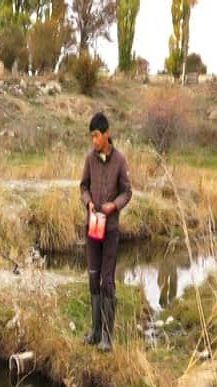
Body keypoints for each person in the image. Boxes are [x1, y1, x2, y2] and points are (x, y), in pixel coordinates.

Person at [80, 113, 132, 351]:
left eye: (96, 136)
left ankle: (107, 338)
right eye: (91, 136)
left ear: (106, 133)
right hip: (92, 228)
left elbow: (127, 192)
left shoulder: (120, 160)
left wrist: (114, 206)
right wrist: (89, 202)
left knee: (107, 281)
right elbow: (83, 186)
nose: (94, 141)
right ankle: (94, 332)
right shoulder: (89, 158)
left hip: (110, 230)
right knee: (93, 276)